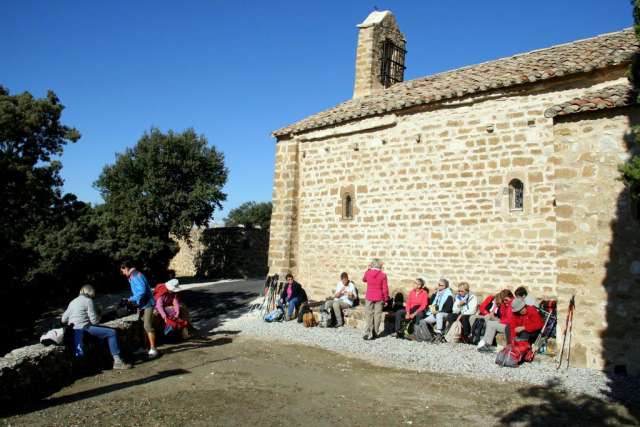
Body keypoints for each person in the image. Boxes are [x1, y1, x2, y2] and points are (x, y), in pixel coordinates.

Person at [62, 285, 131, 369]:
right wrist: (99, 314)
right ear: (91, 293)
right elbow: (94, 321)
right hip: (85, 328)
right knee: (112, 332)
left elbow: (63, 319)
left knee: (99, 336)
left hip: (74, 330)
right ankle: (117, 362)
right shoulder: (88, 301)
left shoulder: (72, 302)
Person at [120, 261, 158, 358]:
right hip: (143, 304)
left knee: (147, 325)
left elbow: (142, 291)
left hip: (148, 304)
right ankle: (144, 347)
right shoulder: (133, 275)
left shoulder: (135, 276)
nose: (123, 273)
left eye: (123, 271)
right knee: (140, 326)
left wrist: (130, 299)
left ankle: (153, 349)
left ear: (126, 268)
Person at [362, 258, 389, 340]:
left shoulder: (368, 273)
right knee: (377, 315)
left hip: (369, 296)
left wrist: (368, 269)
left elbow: (364, 279)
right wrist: (386, 299)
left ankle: (367, 332)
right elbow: (385, 288)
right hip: (379, 297)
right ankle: (375, 332)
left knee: (368, 315)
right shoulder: (383, 275)